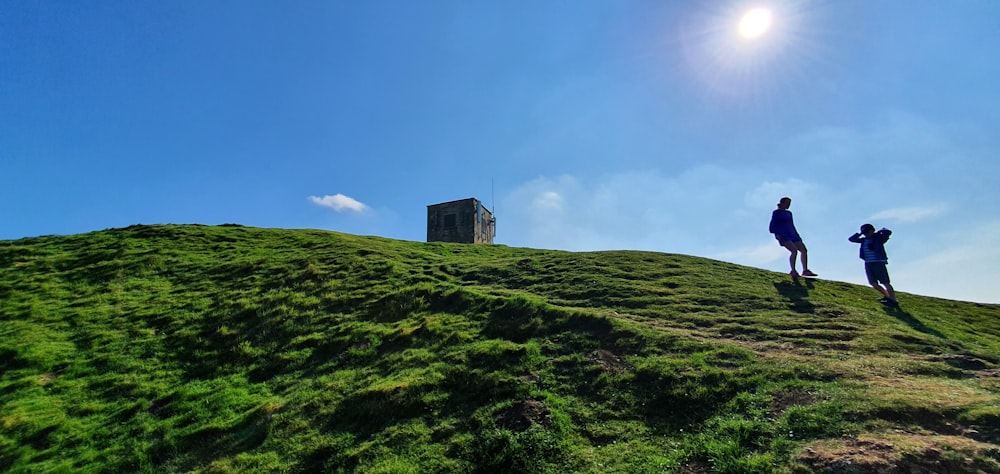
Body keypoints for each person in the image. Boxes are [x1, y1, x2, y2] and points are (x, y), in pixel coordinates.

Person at [849, 224, 897, 307]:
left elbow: (888, 232)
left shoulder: (879, 239)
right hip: (868, 263)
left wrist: (878, 233)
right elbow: (851, 239)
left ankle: (893, 300)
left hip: (879, 263)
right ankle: (887, 297)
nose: (866, 234)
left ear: (872, 231)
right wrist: (860, 233)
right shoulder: (863, 240)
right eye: (864, 233)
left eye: (867, 232)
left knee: (885, 282)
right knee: (873, 283)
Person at [769, 197, 817, 278]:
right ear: (782, 203)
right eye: (787, 203)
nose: (788, 205)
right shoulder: (776, 212)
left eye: (789, 203)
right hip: (783, 235)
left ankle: (805, 270)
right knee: (794, 251)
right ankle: (793, 270)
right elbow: (772, 224)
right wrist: (776, 234)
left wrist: (797, 235)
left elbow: (792, 225)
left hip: (793, 235)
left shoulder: (789, 213)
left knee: (804, 250)